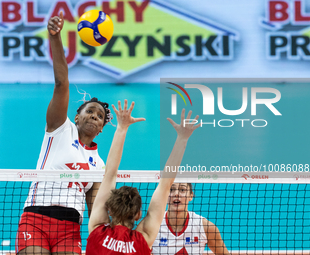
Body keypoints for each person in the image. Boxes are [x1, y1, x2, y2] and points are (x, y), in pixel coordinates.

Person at [16, 11, 111, 255]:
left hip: (70, 227)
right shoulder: (60, 129)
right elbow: (61, 82)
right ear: (77, 116)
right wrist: (55, 37)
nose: (94, 116)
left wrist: (110, 238)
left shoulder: (99, 165)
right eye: (90, 111)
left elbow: (96, 210)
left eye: (99, 116)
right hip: (36, 217)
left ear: (101, 129)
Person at [86, 104, 200, 255]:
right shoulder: (143, 239)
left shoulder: (97, 229)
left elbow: (110, 174)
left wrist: (122, 127)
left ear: (109, 209)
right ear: (138, 214)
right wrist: (182, 139)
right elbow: (166, 184)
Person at [152, 183, 230, 255]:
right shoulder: (152, 226)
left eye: (182, 190)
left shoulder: (206, 227)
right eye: (171, 189)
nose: (176, 194)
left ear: (191, 196)